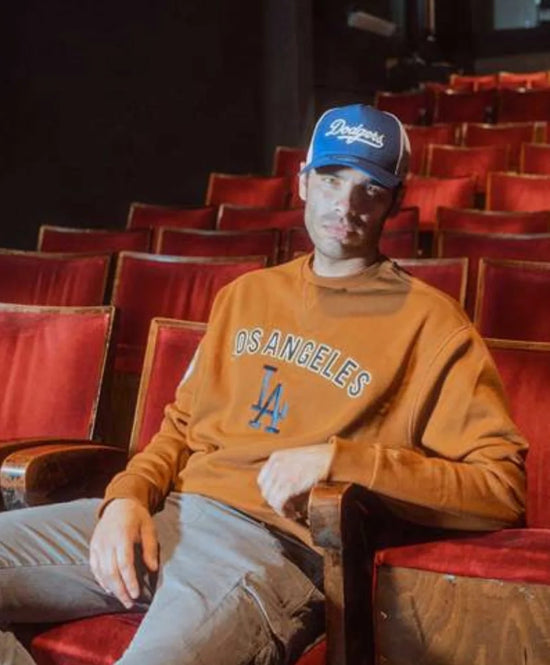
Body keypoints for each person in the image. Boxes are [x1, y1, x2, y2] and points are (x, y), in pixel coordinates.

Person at [0, 104, 527, 665]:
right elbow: (180, 427)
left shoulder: (434, 325)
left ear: (396, 200)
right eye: (331, 179)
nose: (345, 205)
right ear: (303, 181)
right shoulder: (244, 296)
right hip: (171, 514)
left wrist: (338, 459)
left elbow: (500, 490)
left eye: (369, 188)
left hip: (272, 553)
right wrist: (126, 498)